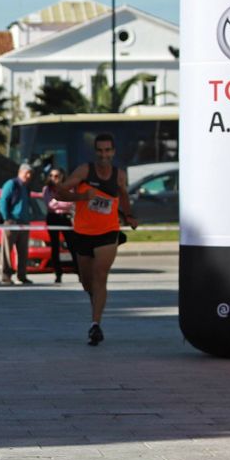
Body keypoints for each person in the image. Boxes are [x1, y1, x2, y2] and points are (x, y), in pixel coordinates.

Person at [55, 133, 138, 346]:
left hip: (108, 232)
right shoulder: (84, 171)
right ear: (95, 152)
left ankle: (95, 324)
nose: (104, 154)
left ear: (113, 152)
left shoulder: (119, 175)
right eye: (100, 150)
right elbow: (59, 193)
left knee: (100, 276)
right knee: (87, 282)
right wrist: (82, 197)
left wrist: (129, 215)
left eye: (107, 150)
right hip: (83, 233)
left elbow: (123, 195)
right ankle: (95, 300)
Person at [0, 163, 36, 284]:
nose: (29, 176)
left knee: (23, 251)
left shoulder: (27, 187)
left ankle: (22, 275)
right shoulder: (11, 184)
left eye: (30, 174)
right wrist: (7, 218)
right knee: (7, 251)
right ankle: (6, 276)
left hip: (24, 223)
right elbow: (3, 201)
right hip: (12, 222)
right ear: (20, 172)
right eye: (27, 173)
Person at [42, 166, 75, 283]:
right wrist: (60, 202)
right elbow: (49, 205)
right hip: (53, 218)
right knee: (55, 246)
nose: (53, 178)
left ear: (62, 177)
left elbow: (69, 203)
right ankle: (58, 273)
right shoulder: (47, 189)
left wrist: (57, 202)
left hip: (65, 217)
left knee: (72, 245)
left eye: (56, 176)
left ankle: (79, 271)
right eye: (51, 176)